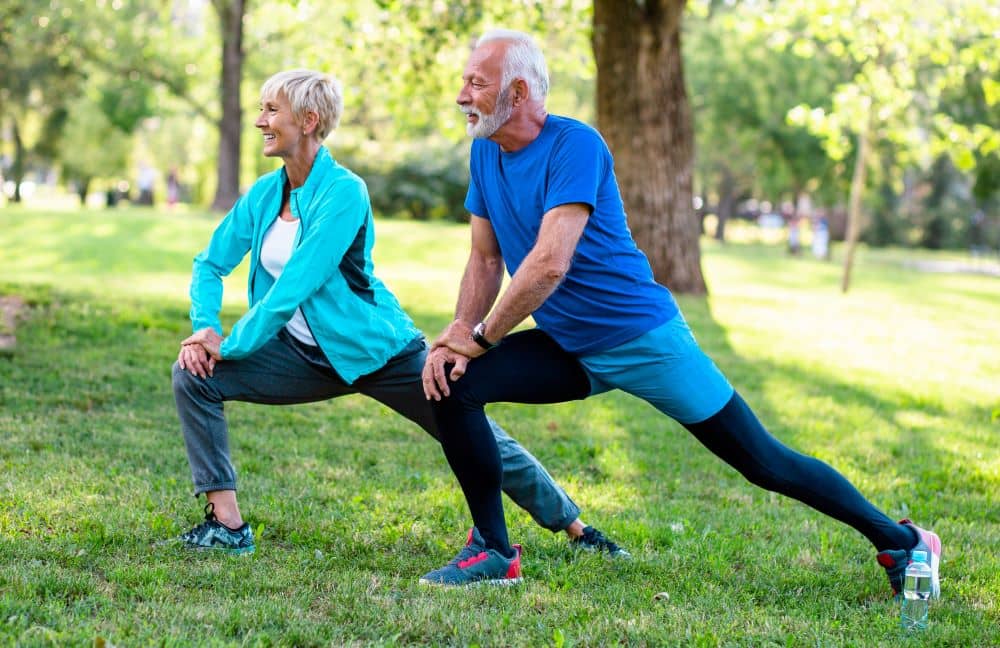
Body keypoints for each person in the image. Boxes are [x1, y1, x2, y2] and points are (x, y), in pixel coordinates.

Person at [419, 30, 942, 592]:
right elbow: (484, 256)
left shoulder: (576, 146)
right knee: (454, 384)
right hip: (568, 346)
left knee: (762, 461)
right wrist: (456, 339)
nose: (462, 95)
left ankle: (903, 541)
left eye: (477, 82)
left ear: (518, 92)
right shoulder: (484, 152)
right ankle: (494, 551)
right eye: (465, 81)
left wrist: (483, 335)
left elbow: (549, 264)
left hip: (641, 338)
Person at [171, 68, 627, 560]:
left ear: (307, 120)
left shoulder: (344, 192)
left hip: (378, 352)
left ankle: (575, 526)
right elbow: (209, 264)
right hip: (299, 355)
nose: (260, 120)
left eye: (270, 110)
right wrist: (204, 329)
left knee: (472, 432)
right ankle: (227, 523)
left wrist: (232, 345)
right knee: (194, 376)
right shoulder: (264, 195)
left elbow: (293, 287)